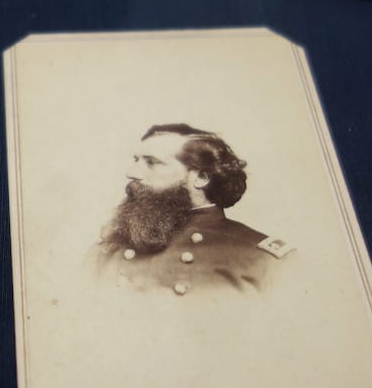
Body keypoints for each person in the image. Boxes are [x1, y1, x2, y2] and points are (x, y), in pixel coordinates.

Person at [93, 124, 292, 296]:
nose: (132, 173)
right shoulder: (111, 246)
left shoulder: (263, 260)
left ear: (201, 177)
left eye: (152, 163)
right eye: (136, 160)